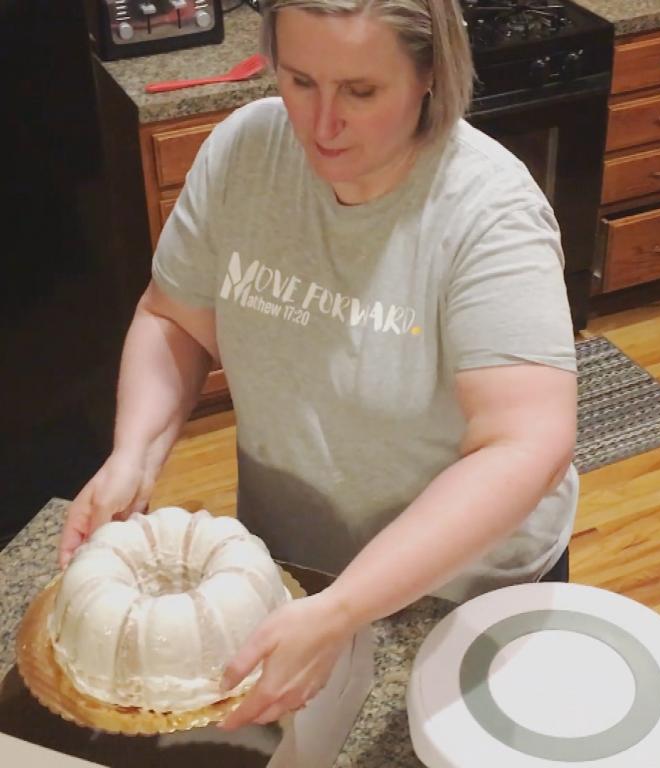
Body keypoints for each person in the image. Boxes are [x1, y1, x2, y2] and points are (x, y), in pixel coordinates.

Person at [60, 0, 578, 731]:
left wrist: (346, 607)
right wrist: (134, 457)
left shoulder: (487, 211)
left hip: (458, 596)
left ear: (431, 73)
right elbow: (171, 314)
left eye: (360, 92)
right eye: (300, 80)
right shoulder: (246, 152)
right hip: (292, 573)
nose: (320, 123)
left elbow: (528, 444)